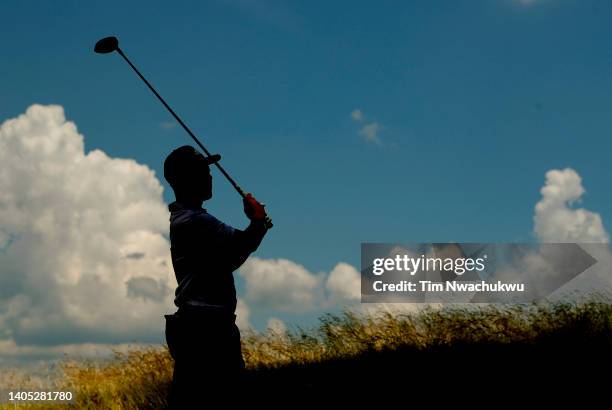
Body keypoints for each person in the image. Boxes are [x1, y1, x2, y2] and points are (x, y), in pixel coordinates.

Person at [162, 145, 269, 407]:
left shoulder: (188, 219)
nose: (210, 177)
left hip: (200, 327)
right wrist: (257, 221)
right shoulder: (195, 221)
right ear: (187, 178)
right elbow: (241, 246)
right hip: (205, 330)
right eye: (203, 171)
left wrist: (257, 225)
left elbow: (229, 260)